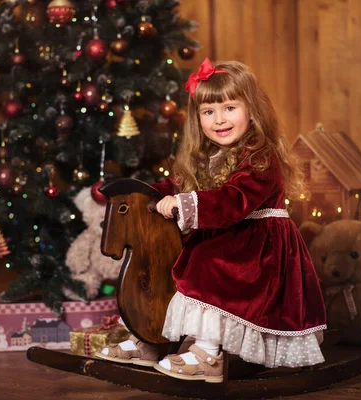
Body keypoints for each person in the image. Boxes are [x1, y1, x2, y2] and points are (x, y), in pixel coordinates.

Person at [96, 58, 326, 383]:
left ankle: (207, 355)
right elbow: (176, 186)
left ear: (252, 110)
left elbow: (233, 201)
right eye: (208, 112)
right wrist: (147, 194)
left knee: (207, 264)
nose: (219, 120)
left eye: (229, 108)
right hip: (225, 239)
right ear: (198, 117)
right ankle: (153, 341)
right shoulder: (202, 156)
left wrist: (183, 203)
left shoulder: (261, 158)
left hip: (258, 247)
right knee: (172, 263)